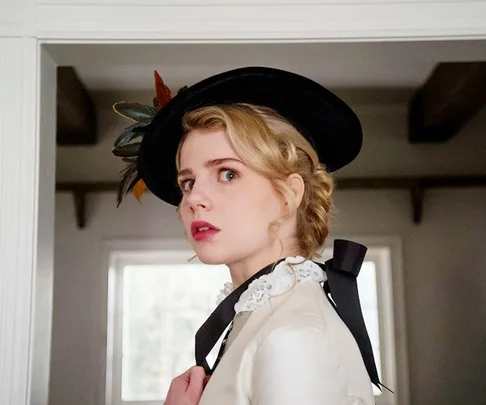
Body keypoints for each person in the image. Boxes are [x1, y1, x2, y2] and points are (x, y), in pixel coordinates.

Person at [113, 67, 384, 405]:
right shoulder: (262, 316)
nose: (194, 198)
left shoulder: (292, 337)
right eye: (188, 182)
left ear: (288, 194)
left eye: (227, 173)